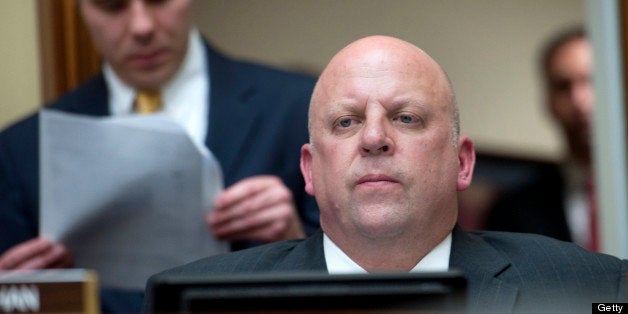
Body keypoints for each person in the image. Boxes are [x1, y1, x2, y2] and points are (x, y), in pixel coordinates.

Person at [145, 35, 627, 314]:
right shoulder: (192, 303)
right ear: (310, 171)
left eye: (406, 117)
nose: (374, 138)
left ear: (462, 163)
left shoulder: (596, 289)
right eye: (346, 122)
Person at [0, 0, 318, 312]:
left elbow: (352, 279)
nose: (142, 27)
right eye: (112, 6)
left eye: (159, 0)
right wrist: (19, 295)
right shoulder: (21, 149)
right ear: (78, 8)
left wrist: (296, 245)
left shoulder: (298, 107)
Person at [485, 27, 598, 250]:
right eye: (563, 86)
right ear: (548, 102)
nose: (579, 100)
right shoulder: (514, 208)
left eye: (593, 81)